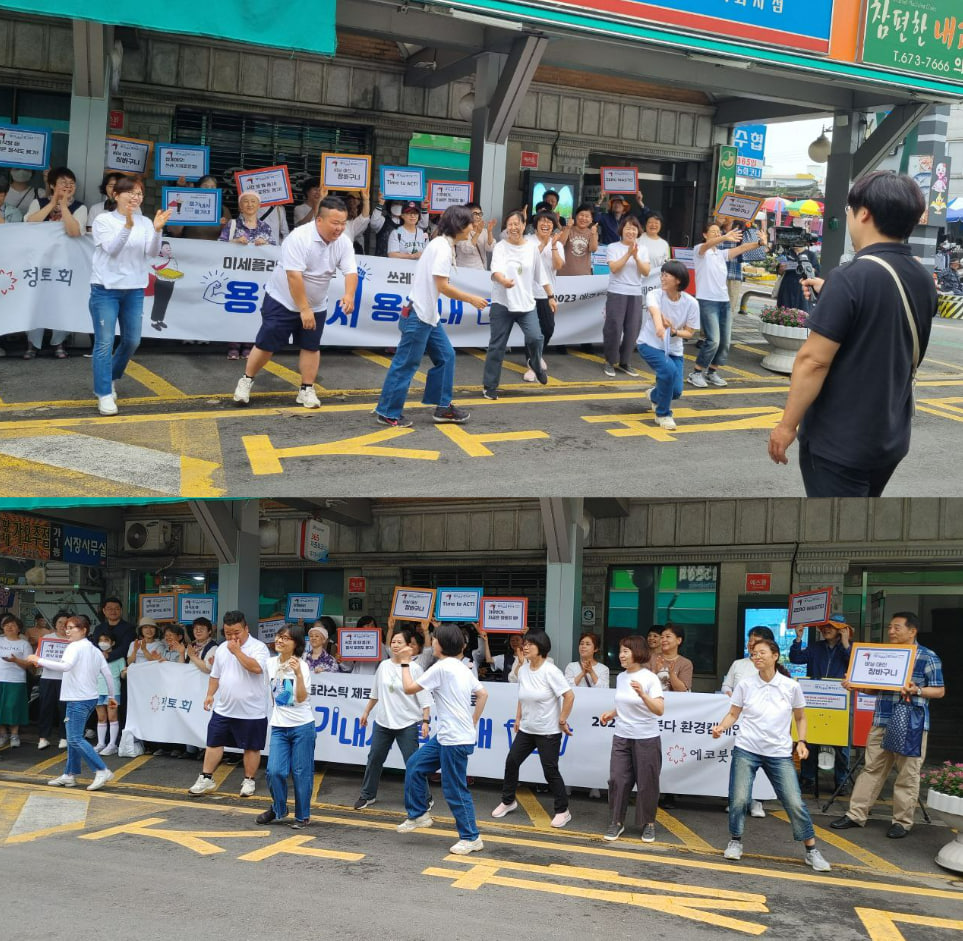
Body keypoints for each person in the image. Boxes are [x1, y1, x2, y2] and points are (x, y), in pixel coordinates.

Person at [768, 172, 937, 497]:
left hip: (839, 442)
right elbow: (884, 320)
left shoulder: (850, 278)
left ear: (864, 213)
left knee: (833, 535)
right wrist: (830, 291)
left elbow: (813, 362)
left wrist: (787, 426)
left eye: (849, 209)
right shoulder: (921, 277)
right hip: (889, 438)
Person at [711, 638, 832, 872]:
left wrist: (802, 741)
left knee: (794, 801)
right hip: (747, 749)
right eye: (754, 654)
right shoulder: (746, 685)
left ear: (775, 655)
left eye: (762, 653)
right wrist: (720, 727)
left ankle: (811, 850)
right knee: (738, 798)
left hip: (779, 752)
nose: (757, 657)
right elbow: (733, 714)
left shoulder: (790, 686)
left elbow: (800, 717)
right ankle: (735, 841)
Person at [232, 194, 357, 411]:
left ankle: (306, 389)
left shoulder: (343, 242)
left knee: (311, 345)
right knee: (266, 344)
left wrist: (349, 295)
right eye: (335, 223)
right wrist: (303, 309)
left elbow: (351, 271)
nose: (339, 228)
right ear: (319, 220)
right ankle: (246, 380)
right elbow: (294, 277)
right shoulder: (299, 238)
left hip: (316, 303)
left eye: (343, 223)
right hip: (282, 299)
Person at [831, 612, 944, 839]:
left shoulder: (927, 656)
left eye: (897, 627)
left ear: (912, 631)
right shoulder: (885, 654)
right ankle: (856, 815)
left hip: (911, 723)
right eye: (890, 627)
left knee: (907, 774)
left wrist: (917, 690)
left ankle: (901, 822)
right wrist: (856, 686)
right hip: (882, 719)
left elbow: (940, 690)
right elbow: (874, 689)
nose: (891, 631)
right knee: (871, 768)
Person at [375, 204, 489, 427]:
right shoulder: (442, 248)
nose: (473, 227)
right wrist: (471, 299)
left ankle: (443, 407)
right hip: (419, 315)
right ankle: (388, 411)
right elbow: (443, 286)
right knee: (406, 364)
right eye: (469, 223)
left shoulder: (442, 244)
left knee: (446, 356)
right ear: (459, 225)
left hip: (428, 315)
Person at [396, 622, 489, 855]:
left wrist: (405, 662)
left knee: (454, 789)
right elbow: (483, 693)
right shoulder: (460, 667)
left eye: (434, 639)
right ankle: (418, 815)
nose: (432, 642)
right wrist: (473, 720)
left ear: (441, 643)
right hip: (449, 735)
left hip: (454, 739)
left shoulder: (443, 667)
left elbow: (409, 688)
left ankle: (471, 837)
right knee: (415, 765)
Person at [89, 176, 171, 416]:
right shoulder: (103, 220)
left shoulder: (145, 221)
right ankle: (103, 393)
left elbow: (152, 252)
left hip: (134, 288)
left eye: (139, 194)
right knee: (104, 343)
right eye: (131, 193)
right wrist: (127, 225)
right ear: (116, 195)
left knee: (132, 340)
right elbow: (112, 249)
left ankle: (111, 376)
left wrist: (156, 230)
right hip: (105, 289)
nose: (136, 197)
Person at [491, 630, 575, 828]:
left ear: (542, 648)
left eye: (530, 644)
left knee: (550, 770)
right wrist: (518, 718)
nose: (525, 647)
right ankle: (508, 801)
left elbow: (569, 696)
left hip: (548, 731)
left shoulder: (551, 671)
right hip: (527, 729)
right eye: (525, 643)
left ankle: (563, 810)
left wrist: (562, 720)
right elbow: (522, 696)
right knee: (512, 761)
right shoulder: (524, 669)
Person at [28, 615, 116, 791]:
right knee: (73, 738)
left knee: (74, 738)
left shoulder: (74, 647)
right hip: (88, 698)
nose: (67, 630)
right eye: (66, 627)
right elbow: (107, 673)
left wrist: (38, 660)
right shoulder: (93, 649)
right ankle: (70, 774)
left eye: (72, 627)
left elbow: (65, 666)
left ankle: (102, 769)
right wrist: (112, 696)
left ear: (83, 630)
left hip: (77, 699)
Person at [188, 610, 270, 798]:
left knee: (251, 746)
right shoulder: (223, 648)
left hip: (251, 710)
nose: (232, 637)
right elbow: (215, 675)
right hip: (224, 708)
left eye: (236, 632)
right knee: (214, 742)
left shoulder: (259, 647)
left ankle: (249, 780)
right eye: (228, 633)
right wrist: (210, 695)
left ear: (246, 628)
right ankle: (206, 777)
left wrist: (238, 652)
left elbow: (257, 668)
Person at [354, 626, 433, 810]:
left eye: (400, 642)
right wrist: (366, 711)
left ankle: (425, 797)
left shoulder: (415, 668)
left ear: (409, 647)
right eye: (393, 642)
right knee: (374, 758)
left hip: (407, 723)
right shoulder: (384, 666)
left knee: (413, 762)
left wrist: (425, 721)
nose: (395, 645)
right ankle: (368, 795)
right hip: (383, 722)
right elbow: (376, 692)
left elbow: (424, 698)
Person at [599, 634, 664, 843]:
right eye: (620, 651)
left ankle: (649, 824)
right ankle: (616, 821)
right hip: (622, 736)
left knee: (647, 782)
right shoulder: (621, 677)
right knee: (617, 779)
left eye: (626, 651)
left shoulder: (650, 678)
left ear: (637, 652)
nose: (621, 655)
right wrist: (612, 713)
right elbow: (624, 705)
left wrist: (644, 695)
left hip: (646, 737)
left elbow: (659, 709)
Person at [483, 210, 554, 399]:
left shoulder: (532, 248)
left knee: (536, 337)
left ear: (524, 226)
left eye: (517, 224)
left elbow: (541, 275)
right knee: (497, 346)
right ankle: (490, 386)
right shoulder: (501, 247)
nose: (513, 228)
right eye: (510, 224)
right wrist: (503, 281)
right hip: (502, 303)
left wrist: (551, 296)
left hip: (526, 303)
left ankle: (536, 364)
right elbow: (495, 270)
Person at [687, 219, 765, 389]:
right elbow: (708, 246)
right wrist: (724, 237)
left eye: (718, 231)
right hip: (707, 301)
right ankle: (696, 372)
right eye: (712, 231)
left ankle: (712, 371)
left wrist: (760, 242)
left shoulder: (720, 254)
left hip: (724, 301)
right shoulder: (699, 251)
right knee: (713, 340)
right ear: (704, 235)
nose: (716, 233)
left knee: (725, 341)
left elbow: (742, 248)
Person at [23, 167, 87, 360]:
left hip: (65, 262)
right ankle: (33, 343)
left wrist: (65, 207)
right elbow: (30, 223)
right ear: (51, 185)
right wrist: (53, 203)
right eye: (63, 183)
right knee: (36, 300)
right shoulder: (38, 202)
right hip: (39, 261)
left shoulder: (80, 208)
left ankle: (58, 341)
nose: (68, 187)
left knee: (63, 301)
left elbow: (75, 231)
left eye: (71, 183)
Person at [258, 624, 315, 829]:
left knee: (302, 772)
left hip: (302, 726)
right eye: (279, 636)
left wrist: (298, 674)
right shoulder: (270, 663)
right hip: (279, 726)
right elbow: (272, 693)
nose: (280, 641)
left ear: (296, 644)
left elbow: (300, 698)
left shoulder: (302, 666)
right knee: (274, 771)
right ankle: (279, 808)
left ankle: (303, 816)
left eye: (286, 638)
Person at [789, 613, 853, 793]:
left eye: (831, 627)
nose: (826, 629)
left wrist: (847, 644)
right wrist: (798, 638)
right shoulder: (816, 647)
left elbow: (853, 665)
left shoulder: (849, 648)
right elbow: (796, 658)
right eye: (825, 626)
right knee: (810, 739)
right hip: (815, 700)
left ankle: (842, 781)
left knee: (841, 742)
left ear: (842, 630)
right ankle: (807, 778)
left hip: (840, 702)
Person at [638, 259, 700, 431]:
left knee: (676, 391)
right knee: (668, 371)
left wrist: (674, 332)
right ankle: (663, 414)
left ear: (678, 280)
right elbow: (655, 312)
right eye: (662, 275)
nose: (662, 278)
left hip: (673, 349)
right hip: (649, 344)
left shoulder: (691, 303)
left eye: (666, 275)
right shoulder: (655, 294)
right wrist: (659, 327)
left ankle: (654, 395)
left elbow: (689, 332)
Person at [600, 215, 650, 378]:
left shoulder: (642, 249)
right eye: (628, 228)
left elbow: (646, 271)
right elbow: (614, 268)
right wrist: (628, 254)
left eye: (634, 228)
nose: (631, 231)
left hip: (635, 293)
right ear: (622, 230)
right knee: (614, 327)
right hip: (617, 291)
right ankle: (610, 361)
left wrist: (636, 256)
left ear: (638, 232)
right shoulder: (613, 247)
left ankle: (625, 362)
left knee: (632, 329)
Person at [524, 211, 566, 382]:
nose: (546, 223)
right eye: (542, 220)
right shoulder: (527, 241)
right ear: (536, 224)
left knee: (548, 328)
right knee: (532, 331)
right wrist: (542, 244)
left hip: (547, 294)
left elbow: (558, 265)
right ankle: (532, 364)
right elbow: (528, 262)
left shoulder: (558, 245)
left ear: (554, 225)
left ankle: (537, 356)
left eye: (549, 221)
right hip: (529, 293)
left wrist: (554, 245)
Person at [36, 611, 70, 749]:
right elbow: (38, 656)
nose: (63, 625)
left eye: (66, 623)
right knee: (46, 708)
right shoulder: (47, 638)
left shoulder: (73, 640)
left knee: (65, 709)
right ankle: (43, 737)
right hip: (48, 678)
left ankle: (64, 737)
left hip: (66, 679)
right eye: (60, 622)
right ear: (55, 624)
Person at [0, 614, 32, 748]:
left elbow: (28, 665)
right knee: (1, 708)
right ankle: (2, 735)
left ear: (19, 628)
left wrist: (15, 660)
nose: (9, 627)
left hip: (16, 680)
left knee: (13, 707)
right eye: (6, 625)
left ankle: (14, 734)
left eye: (13, 625)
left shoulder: (24, 644)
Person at [93, 634, 124, 756]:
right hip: (97, 691)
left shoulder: (119, 658)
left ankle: (112, 744)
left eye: (106, 640)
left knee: (112, 718)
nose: (103, 642)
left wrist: (126, 672)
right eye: (100, 640)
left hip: (113, 692)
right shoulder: (96, 657)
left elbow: (122, 674)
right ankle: (101, 743)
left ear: (113, 643)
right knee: (101, 718)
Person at [92, 599, 136, 669]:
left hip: (121, 666)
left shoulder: (129, 628)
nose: (113, 611)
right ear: (104, 611)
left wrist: (108, 655)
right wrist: (101, 655)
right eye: (109, 609)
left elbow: (126, 647)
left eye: (116, 608)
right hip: (100, 665)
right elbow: (95, 645)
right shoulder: (99, 628)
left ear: (121, 611)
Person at [558, 204, 598, 277]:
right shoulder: (566, 229)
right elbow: (560, 244)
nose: (583, 218)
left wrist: (593, 234)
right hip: (564, 274)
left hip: (583, 275)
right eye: (581, 215)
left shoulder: (592, 233)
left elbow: (593, 249)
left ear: (591, 220)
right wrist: (568, 227)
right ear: (576, 216)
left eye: (587, 216)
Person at [652, 624, 693, 692]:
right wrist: (655, 670)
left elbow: (682, 690)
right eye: (662, 637)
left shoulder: (686, 663)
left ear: (679, 640)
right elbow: (642, 684)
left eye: (668, 637)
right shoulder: (651, 658)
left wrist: (671, 674)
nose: (664, 640)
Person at [640, 212, 670, 300]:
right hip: (639, 283)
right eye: (650, 222)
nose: (653, 225)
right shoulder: (638, 240)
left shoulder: (664, 244)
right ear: (645, 224)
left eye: (656, 223)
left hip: (655, 285)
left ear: (661, 225)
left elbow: (665, 264)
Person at [457, 203, 495, 269]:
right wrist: (478, 233)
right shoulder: (459, 231)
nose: (478, 217)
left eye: (480, 214)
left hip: (480, 270)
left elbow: (490, 248)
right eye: (475, 214)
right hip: (464, 270)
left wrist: (489, 231)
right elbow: (467, 249)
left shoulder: (484, 231)